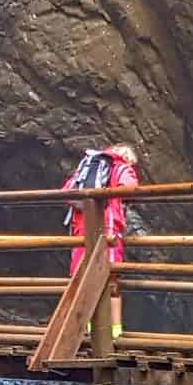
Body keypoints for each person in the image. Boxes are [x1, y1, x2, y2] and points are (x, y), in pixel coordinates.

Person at [63, 143, 141, 339]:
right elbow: (130, 188)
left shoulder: (89, 166)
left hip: (82, 230)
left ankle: (87, 326)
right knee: (111, 281)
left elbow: (67, 191)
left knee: (84, 277)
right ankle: (114, 330)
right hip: (107, 230)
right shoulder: (121, 166)